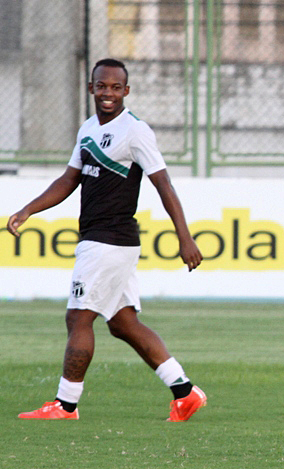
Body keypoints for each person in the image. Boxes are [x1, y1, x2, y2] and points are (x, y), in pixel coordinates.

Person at [7, 58, 207, 422]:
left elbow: (163, 183)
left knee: (78, 319)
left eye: (116, 87)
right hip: (103, 240)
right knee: (122, 323)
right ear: (91, 88)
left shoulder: (135, 131)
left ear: (126, 91)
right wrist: (28, 209)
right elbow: (69, 180)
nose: (108, 93)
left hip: (109, 241)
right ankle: (184, 391)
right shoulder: (87, 129)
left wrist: (185, 236)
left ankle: (65, 405)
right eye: (102, 86)